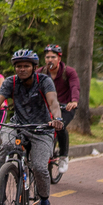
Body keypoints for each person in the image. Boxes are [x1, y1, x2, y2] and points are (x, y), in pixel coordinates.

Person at [0, 49, 63, 205]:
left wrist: (57, 119)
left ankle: (45, 202)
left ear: (34, 67)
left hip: (42, 129)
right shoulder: (11, 82)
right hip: (18, 126)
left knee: (39, 167)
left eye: (26, 66)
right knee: (5, 145)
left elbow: (53, 102)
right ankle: (1, 188)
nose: (22, 69)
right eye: (19, 66)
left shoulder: (44, 81)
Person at [39, 44, 80, 175]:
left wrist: (73, 101)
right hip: (47, 107)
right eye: (47, 57)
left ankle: (63, 156)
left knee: (60, 126)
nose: (50, 60)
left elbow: (75, 86)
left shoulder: (68, 72)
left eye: (53, 57)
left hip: (65, 107)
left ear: (59, 58)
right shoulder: (40, 72)